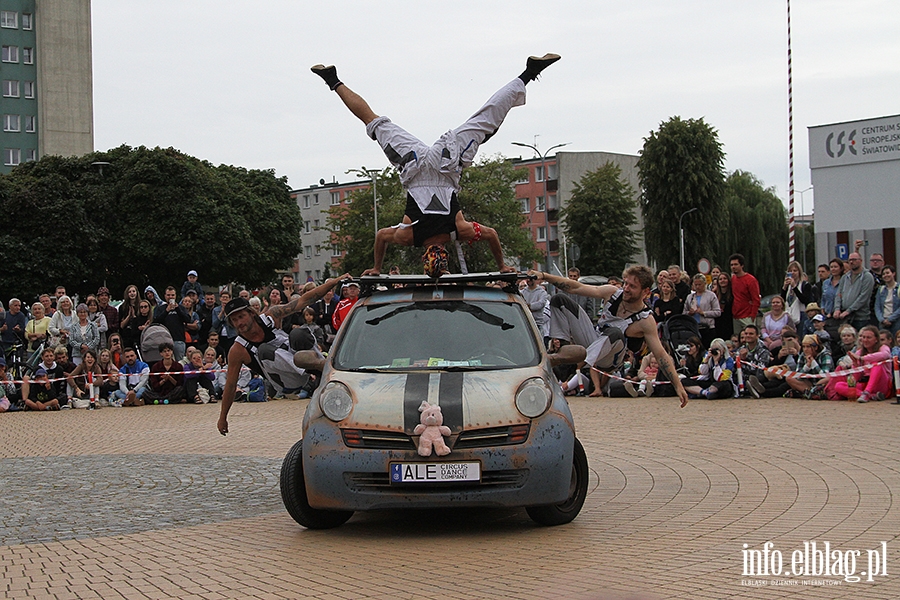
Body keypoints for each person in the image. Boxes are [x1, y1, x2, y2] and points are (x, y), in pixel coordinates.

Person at [313, 56, 561, 277]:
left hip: (447, 163)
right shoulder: (409, 237)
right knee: (373, 121)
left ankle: (529, 73)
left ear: (447, 256)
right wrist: (376, 267)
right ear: (423, 257)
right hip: (415, 164)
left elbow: (492, 234)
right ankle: (332, 79)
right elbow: (381, 237)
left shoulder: (459, 230)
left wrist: (502, 266)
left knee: (485, 120)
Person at [530, 266, 688, 408]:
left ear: (646, 292)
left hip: (610, 358)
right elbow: (576, 287)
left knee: (615, 333)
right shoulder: (612, 293)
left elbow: (660, 354)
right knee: (560, 300)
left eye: (632, 286)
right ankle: (562, 352)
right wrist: (544, 276)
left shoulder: (645, 320)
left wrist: (678, 385)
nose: (626, 288)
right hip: (594, 340)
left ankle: (581, 361)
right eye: (625, 283)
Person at [217, 275, 350, 435]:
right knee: (264, 350)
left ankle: (319, 367)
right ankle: (315, 372)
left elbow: (304, 300)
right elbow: (230, 385)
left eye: (241, 316)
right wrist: (222, 417)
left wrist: (332, 283)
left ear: (251, 313)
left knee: (298, 333)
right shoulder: (238, 350)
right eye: (234, 320)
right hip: (286, 380)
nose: (239, 323)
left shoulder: (271, 316)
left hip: (300, 359)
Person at [832, 325, 891, 403]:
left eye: (868, 337)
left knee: (876, 364)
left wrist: (862, 358)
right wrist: (856, 365)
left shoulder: (883, 347)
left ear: (876, 339)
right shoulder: (859, 352)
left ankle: (867, 393)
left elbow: (885, 355)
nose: (865, 340)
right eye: (863, 337)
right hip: (865, 383)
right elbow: (855, 378)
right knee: (838, 385)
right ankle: (870, 396)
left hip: (882, 384)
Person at [833, 252, 875, 332]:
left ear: (861, 261)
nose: (852, 262)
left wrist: (849, 310)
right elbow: (838, 294)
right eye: (850, 260)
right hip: (845, 318)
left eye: (854, 260)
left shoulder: (867, 277)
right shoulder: (845, 277)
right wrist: (837, 309)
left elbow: (863, 297)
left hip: (860, 318)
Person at [153, 287, 191, 361]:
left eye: (172, 295)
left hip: (178, 340)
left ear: (175, 296)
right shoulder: (160, 308)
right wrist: (166, 311)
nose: (170, 297)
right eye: (168, 295)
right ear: (165, 296)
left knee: (179, 361)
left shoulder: (181, 308)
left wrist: (177, 309)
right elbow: (156, 322)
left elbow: (187, 319)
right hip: (164, 340)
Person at [683, 273, 721, 349]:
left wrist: (703, 313)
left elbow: (717, 312)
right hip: (694, 328)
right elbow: (684, 313)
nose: (697, 287)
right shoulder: (690, 297)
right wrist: (689, 313)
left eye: (699, 284)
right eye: (695, 284)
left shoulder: (711, 295)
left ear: (704, 284)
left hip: (708, 327)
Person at [730, 253, 761, 332]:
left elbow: (756, 299)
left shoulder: (751, 280)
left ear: (742, 265)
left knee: (749, 337)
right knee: (737, 339)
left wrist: (753, 316)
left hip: (747, 316)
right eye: (732, 265)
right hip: (736, 316)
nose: (733, 267)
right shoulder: (733, 279)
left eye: (736, 264)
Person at [781, 261, 812, 327]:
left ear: (799, 272)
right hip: (789, 314)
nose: (792, 273)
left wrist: (794, 287)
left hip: (801, 314)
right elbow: (782, 300)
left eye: (795, 271)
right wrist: (784, 288)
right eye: (790, 271)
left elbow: (805, 300)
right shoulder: (788, 286)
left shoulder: (805, 285)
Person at [521, 276, 550, 342]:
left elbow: (540, 304)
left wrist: (527, 306)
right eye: (527, 279)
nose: (529, 280)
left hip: (538, 324)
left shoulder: (542, 292)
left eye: (530, 279)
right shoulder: (522, 292)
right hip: (525, 323)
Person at [875, 264, 900, 337]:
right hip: (883, 323)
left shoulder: (898, 288)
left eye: (887, 273)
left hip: (896, 322)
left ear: (893, 273)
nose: (885, 275)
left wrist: (890, 319)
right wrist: (882, 320)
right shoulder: (881, 289)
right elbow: (877, 306)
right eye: (883, 274)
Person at [118, 285, 143, 350]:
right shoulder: (122, 307)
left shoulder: (141, 305)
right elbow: (121, 325)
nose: (132, 293)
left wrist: (134, 316)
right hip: (126, 335)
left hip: (138, 334)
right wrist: (129, 316)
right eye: (130, 292)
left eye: (133, 291)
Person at [713, 271, 734, 342]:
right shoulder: (715, 294)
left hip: (729, 320)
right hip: (718, 321)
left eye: (725, 278)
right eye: (720, 279)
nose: (723, 280)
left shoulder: (732, 293)